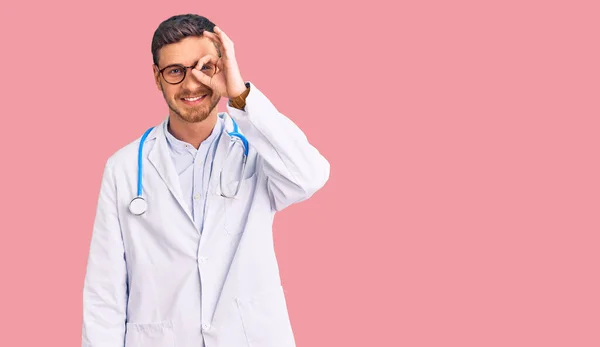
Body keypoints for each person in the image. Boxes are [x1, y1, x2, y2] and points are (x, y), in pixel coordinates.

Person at [81, 14, 329, 347]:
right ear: (157, 77)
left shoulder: (258, 151)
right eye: (175, 71)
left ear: (222, 68)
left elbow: (310, 175)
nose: (191, 84)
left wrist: (239, 94)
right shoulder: (123, 168)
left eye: (204, 67)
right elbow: (104, 291)